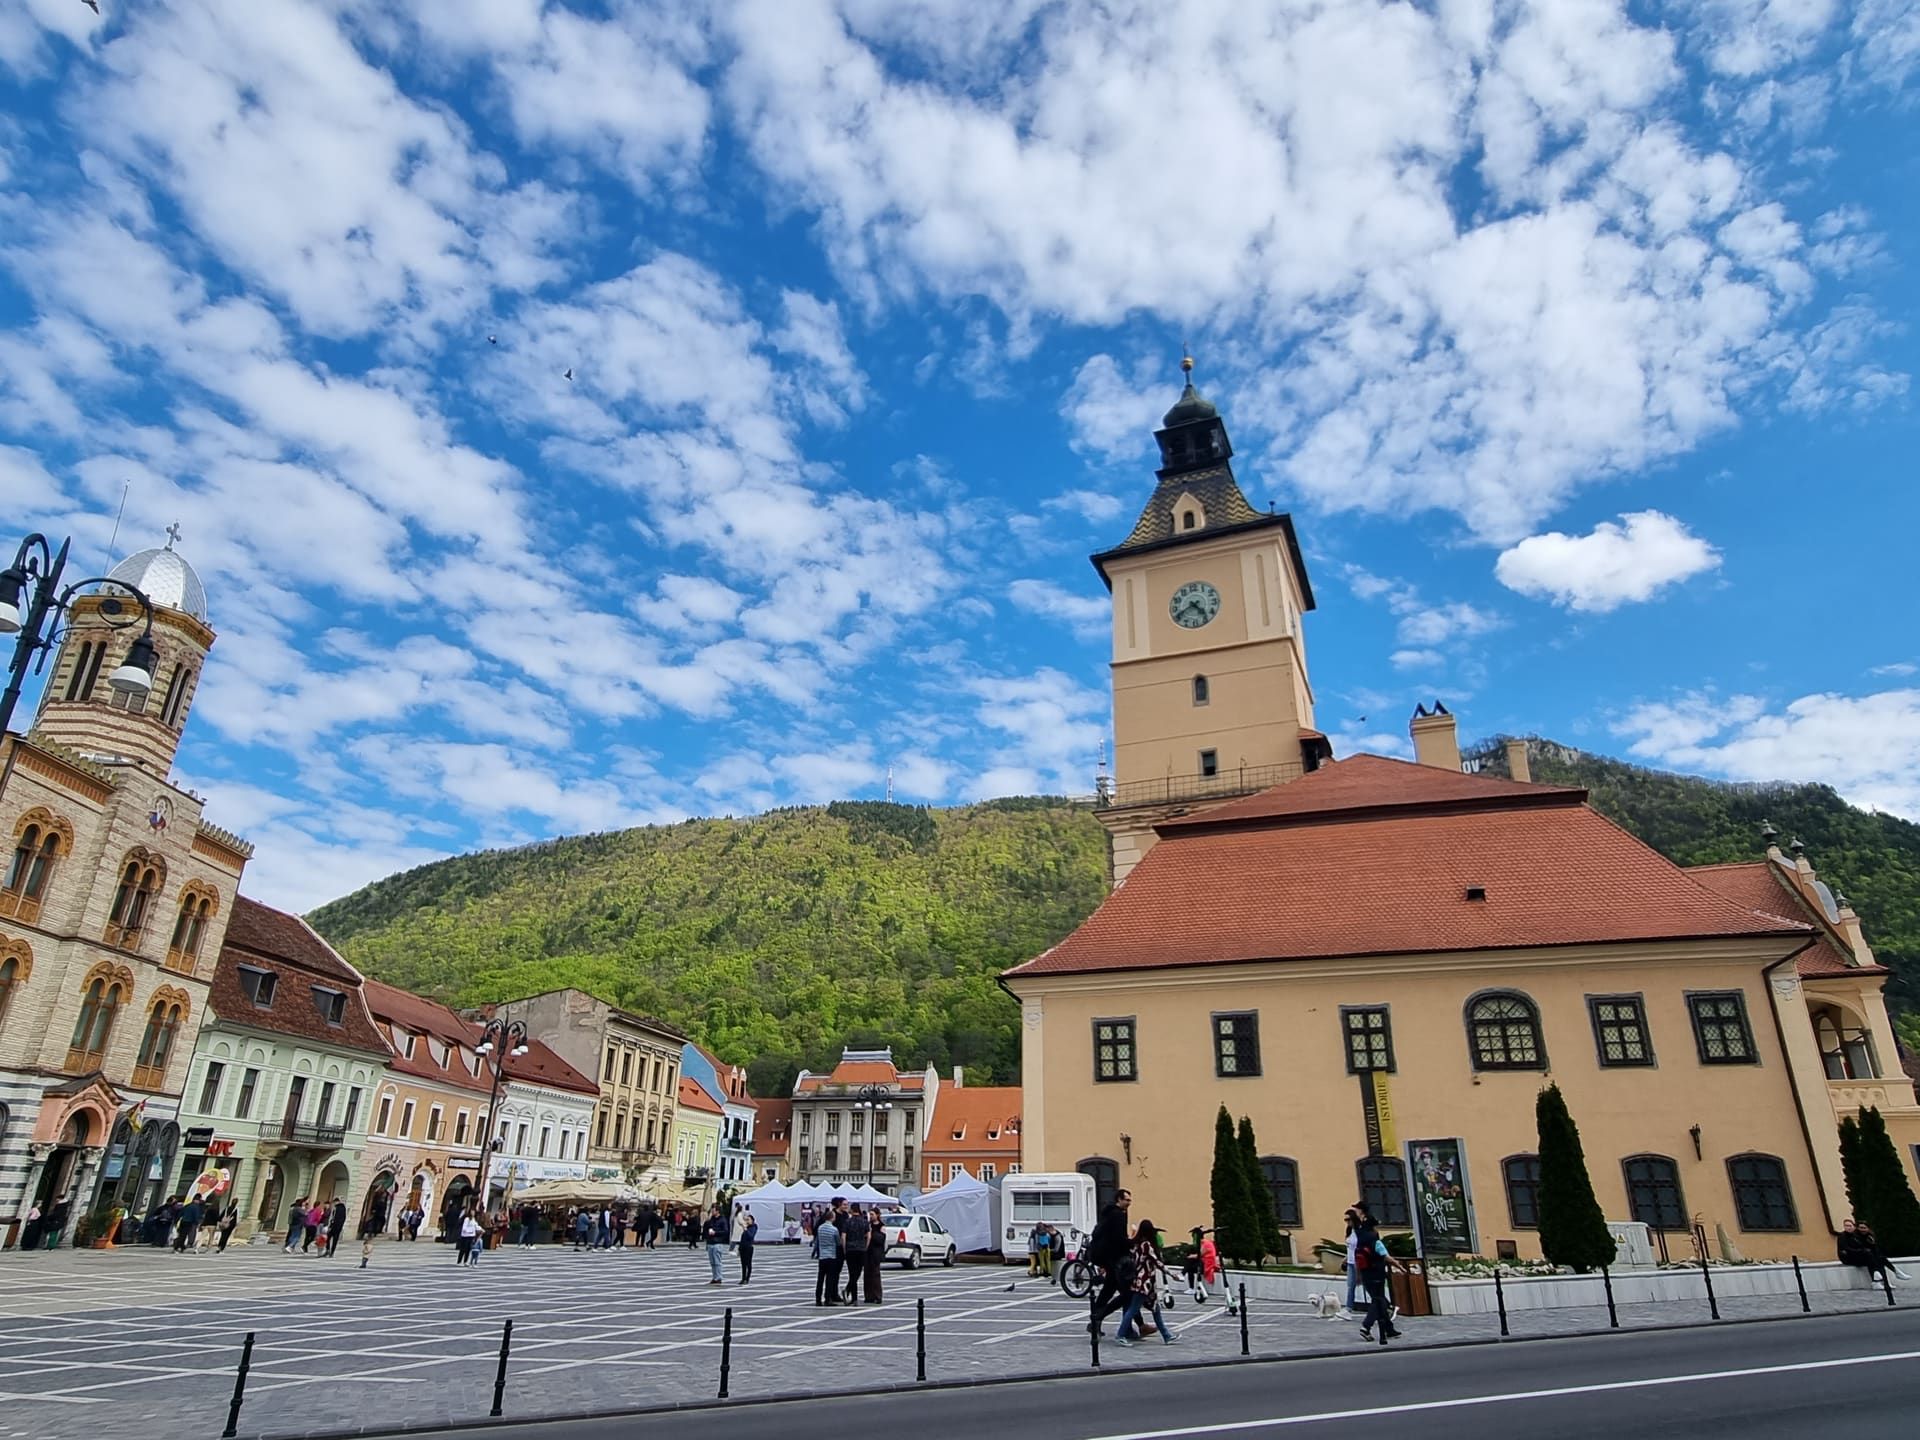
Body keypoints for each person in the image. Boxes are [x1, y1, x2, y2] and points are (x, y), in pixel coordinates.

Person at [1114, 1220, 1178, 1347]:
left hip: (1141, 1282)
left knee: (1155, 1309)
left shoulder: (1136, 1244)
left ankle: (1167, 1335)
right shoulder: (1146, 1245)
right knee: (1133, 1309)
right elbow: (1156, 1262)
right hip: (1145, 1283)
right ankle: (1120, 1335)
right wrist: (1171, 1274)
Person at [1085, 1188, 1134, 1338]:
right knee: (1127, 1294)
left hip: (1108, 1258)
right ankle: (1098, 1319)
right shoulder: (1117, 1216)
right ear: (1119, 1200)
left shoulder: (1111, 1214)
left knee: (1109, 1291)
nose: (1129, 1202)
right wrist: (1132, 1242)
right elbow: (1118, 1239)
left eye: (1130, 1200)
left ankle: (1096, 1321)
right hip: (1114, 1259)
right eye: (1127, 1199)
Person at [1350, 1207, 1400, 1344]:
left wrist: (1358, 1275)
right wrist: (1399, 1266)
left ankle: (1389, 1329)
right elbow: (1385, 1256)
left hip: (1365, 1273)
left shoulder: (1360, 1236)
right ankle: (1366, 1327)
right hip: (1377, 1273)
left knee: (1380, 1301)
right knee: (1379, 1302)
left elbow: (1357, 1257)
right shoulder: (1374, 1239)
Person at [841, 1202, 871, 1301]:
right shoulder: (864, 1222)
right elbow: (869, 1236)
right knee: (857, 1273)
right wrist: (865, 1247)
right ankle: (851, 1294)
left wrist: (844, 1249)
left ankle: (853, 1296)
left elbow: (843, 1237)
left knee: (852, 1273)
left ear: (852, 1210)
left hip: (850, 1249)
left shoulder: (847, 1222)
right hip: (861, 1249)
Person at [813, 1208, 842, 1306]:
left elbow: (817, 1241)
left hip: (822, 1256)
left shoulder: (820, 1228)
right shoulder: (834, 1229)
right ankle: (827, 1299)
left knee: (820, 1278)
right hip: (831, 1255)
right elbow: (838, 1242)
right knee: (829, 1279)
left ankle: (818, 1299)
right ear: (832, 1218)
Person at [862, 1206, 886, 1303]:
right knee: (867, 1275)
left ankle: (877, 1296)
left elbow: (881, 1239)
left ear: (877, 1215)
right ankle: (868, 1296)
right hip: (867, 1252)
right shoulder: (868, 1225)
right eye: (870, 1214)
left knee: (875, 1275)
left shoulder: (881, 1226)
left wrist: (872, 1234)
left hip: (876, 1253)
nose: (870, 1216)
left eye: (872, 1214)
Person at [703, 1204, 731, 1285]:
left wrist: (716, 1232)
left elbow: (725, 1231)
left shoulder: (722, 1220)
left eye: (713, 1210)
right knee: (712, 1262)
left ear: (717, 1211)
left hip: (718, 1242)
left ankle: (718, 1277)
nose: (712, 1212)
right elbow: (706, 1228)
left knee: (717, 1261)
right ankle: (714, 1277)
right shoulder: (711, 1220)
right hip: (710, 1242)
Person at [738, 1212, 758, 1284]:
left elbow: (750, 1236)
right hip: (743, 1247)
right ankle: (743, 1278)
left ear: (752, 1220)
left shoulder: (753, 1227)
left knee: (748, 1264)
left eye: (748, 1220)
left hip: (749, 1248)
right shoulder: (746, 1227)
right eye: (746, 1220)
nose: (747, 1221)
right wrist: (739, 1248)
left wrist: (745, 1229)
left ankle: (747, 1278)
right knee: (743, 1264)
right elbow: (742, 1238)